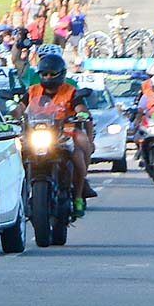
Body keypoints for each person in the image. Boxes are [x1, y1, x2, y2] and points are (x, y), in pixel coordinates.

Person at [20, 53, 92, 216]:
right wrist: (12, 114)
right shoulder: (33, 90)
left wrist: (81, 114)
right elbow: (20, 107)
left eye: (52, 74)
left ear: (61, 74)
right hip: (36, 132)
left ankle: (79, 194)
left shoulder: (70, 91)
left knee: (79, 150)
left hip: (64, 131)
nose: (48, 77)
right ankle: (17, 196)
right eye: (44, 74)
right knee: (15, 152)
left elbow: (80, 107)